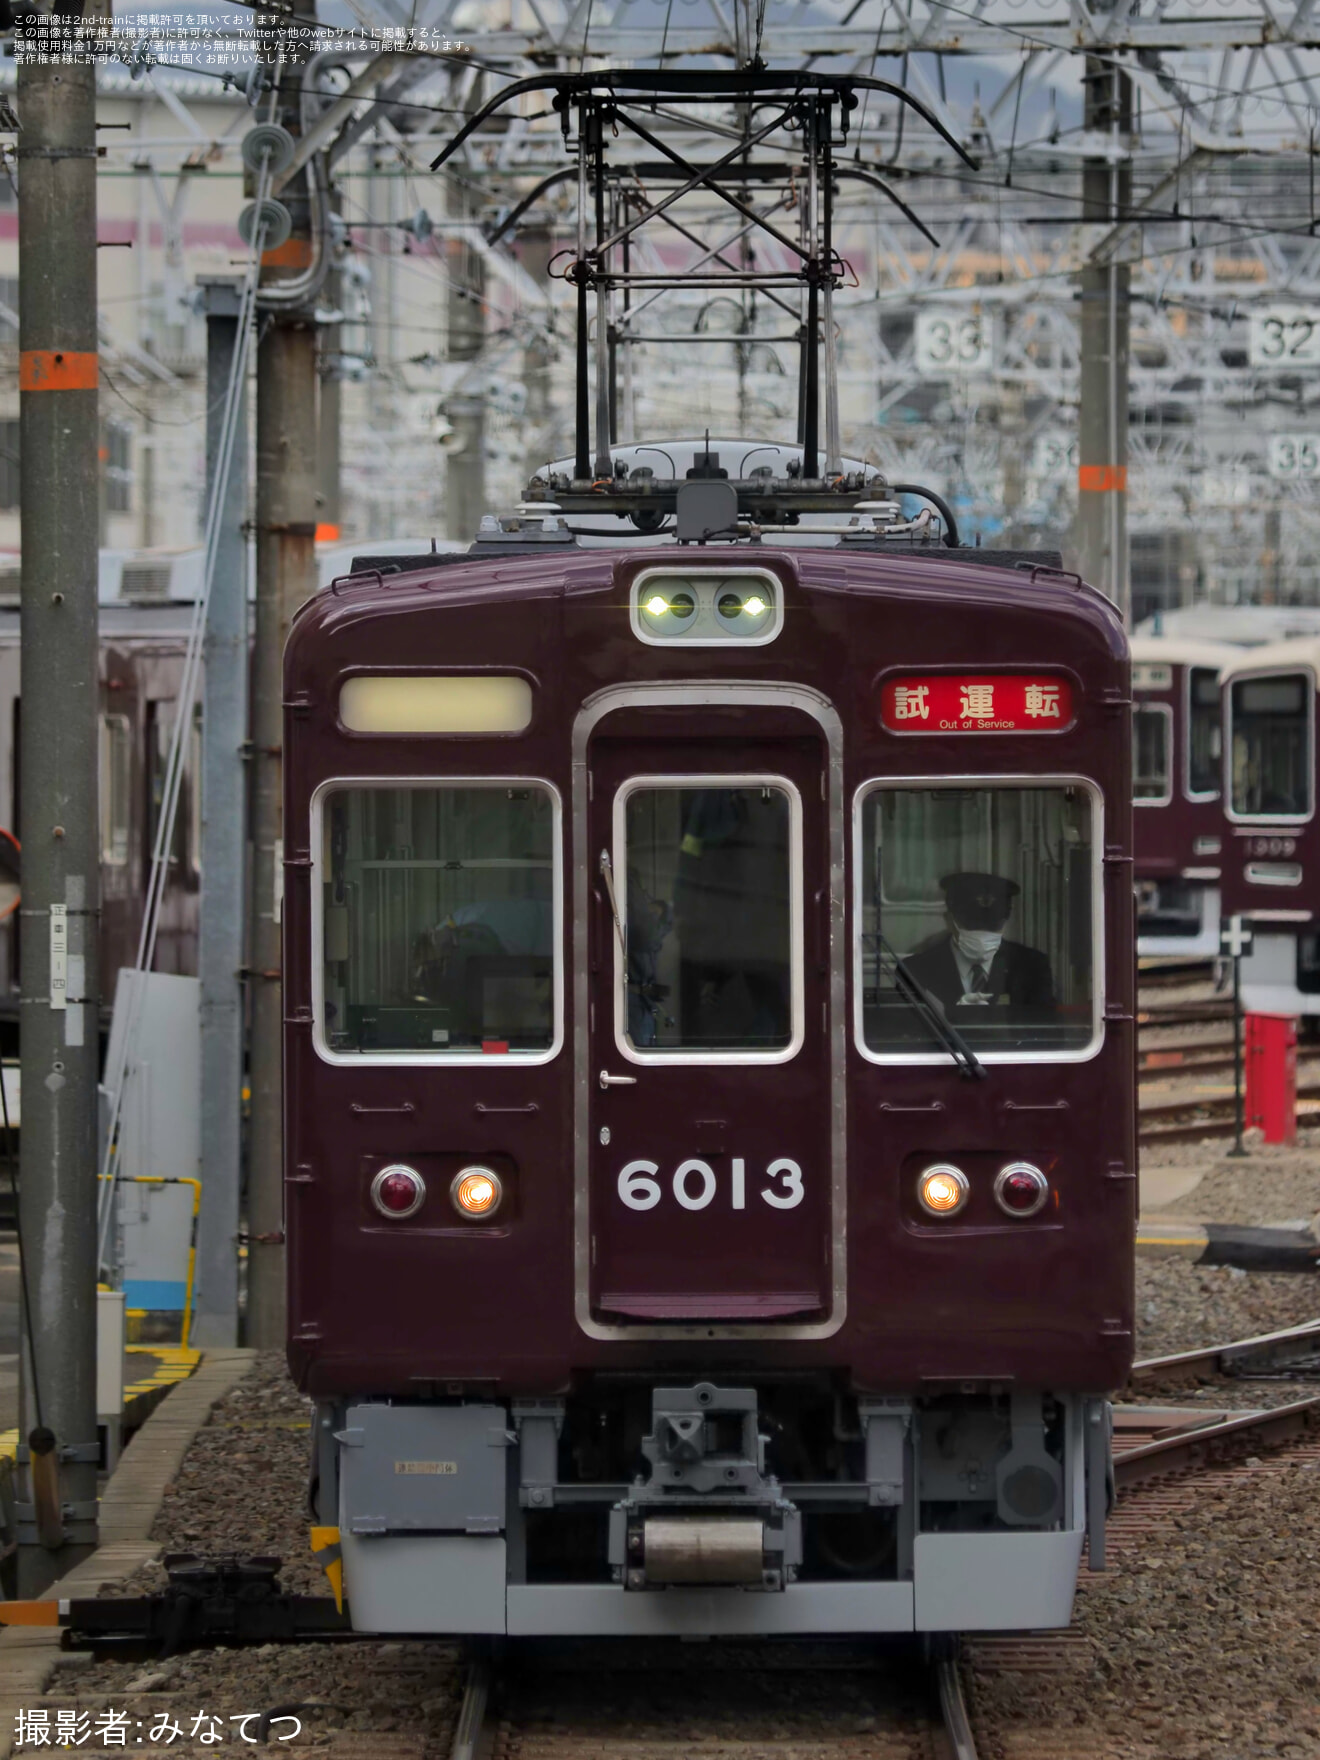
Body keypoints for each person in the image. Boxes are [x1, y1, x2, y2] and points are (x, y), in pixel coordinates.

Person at [899, 871, 1055, 1016]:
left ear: (1005, 921)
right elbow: (906, 1032)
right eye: (971, 925)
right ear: (948, 920)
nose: (982, 934)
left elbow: (1044, 1030)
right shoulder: (916, 971)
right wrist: (953, 1016)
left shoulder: (1031, 967)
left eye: (992, 926)